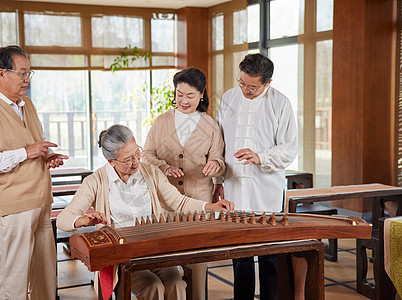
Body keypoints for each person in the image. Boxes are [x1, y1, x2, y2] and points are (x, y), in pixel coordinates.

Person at [57, 124, 234, 300]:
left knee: (176, 283)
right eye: (127, 159)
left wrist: (210, 207)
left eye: (137, 153)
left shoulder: (150, 172)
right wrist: (83, 220)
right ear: (111, 162)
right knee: (153, 286)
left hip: (153, 250)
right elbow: (63, 220)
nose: (136, 162)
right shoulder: (95, 181)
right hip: (121, 256)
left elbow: (179, 202)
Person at [0, 45, 69, 300]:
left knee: (46, 282)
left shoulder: (28, 105)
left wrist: (46, 157)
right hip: (11, 210)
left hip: (41, 203)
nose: (26, 79)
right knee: (15, 285)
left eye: (29, 73)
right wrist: (26, 152)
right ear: (1, 73)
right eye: (22, 73)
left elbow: (33, 146)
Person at [213, 53, 298, 300]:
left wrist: (260, 156)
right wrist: (218, 182)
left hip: (266, 190)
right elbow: (219, 143)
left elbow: (289, 148)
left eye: (252, 86)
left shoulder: (280, 103)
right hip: (234, 187)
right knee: (240, 255)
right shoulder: (229, 98)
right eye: (241, 82)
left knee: (270, 257)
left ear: (267, 83)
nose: (245, 90)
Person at [142, 67, 225, 300]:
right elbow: (145, 154)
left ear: (201, 94)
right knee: (167, 265)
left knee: (198, 265)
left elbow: (219, 157)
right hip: (166, 203)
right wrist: (163, 166)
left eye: (190, 95)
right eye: (179, 94)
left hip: (199, 203)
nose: (184, 100)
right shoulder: (161, 122)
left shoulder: (211, 125)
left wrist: (216, 165)